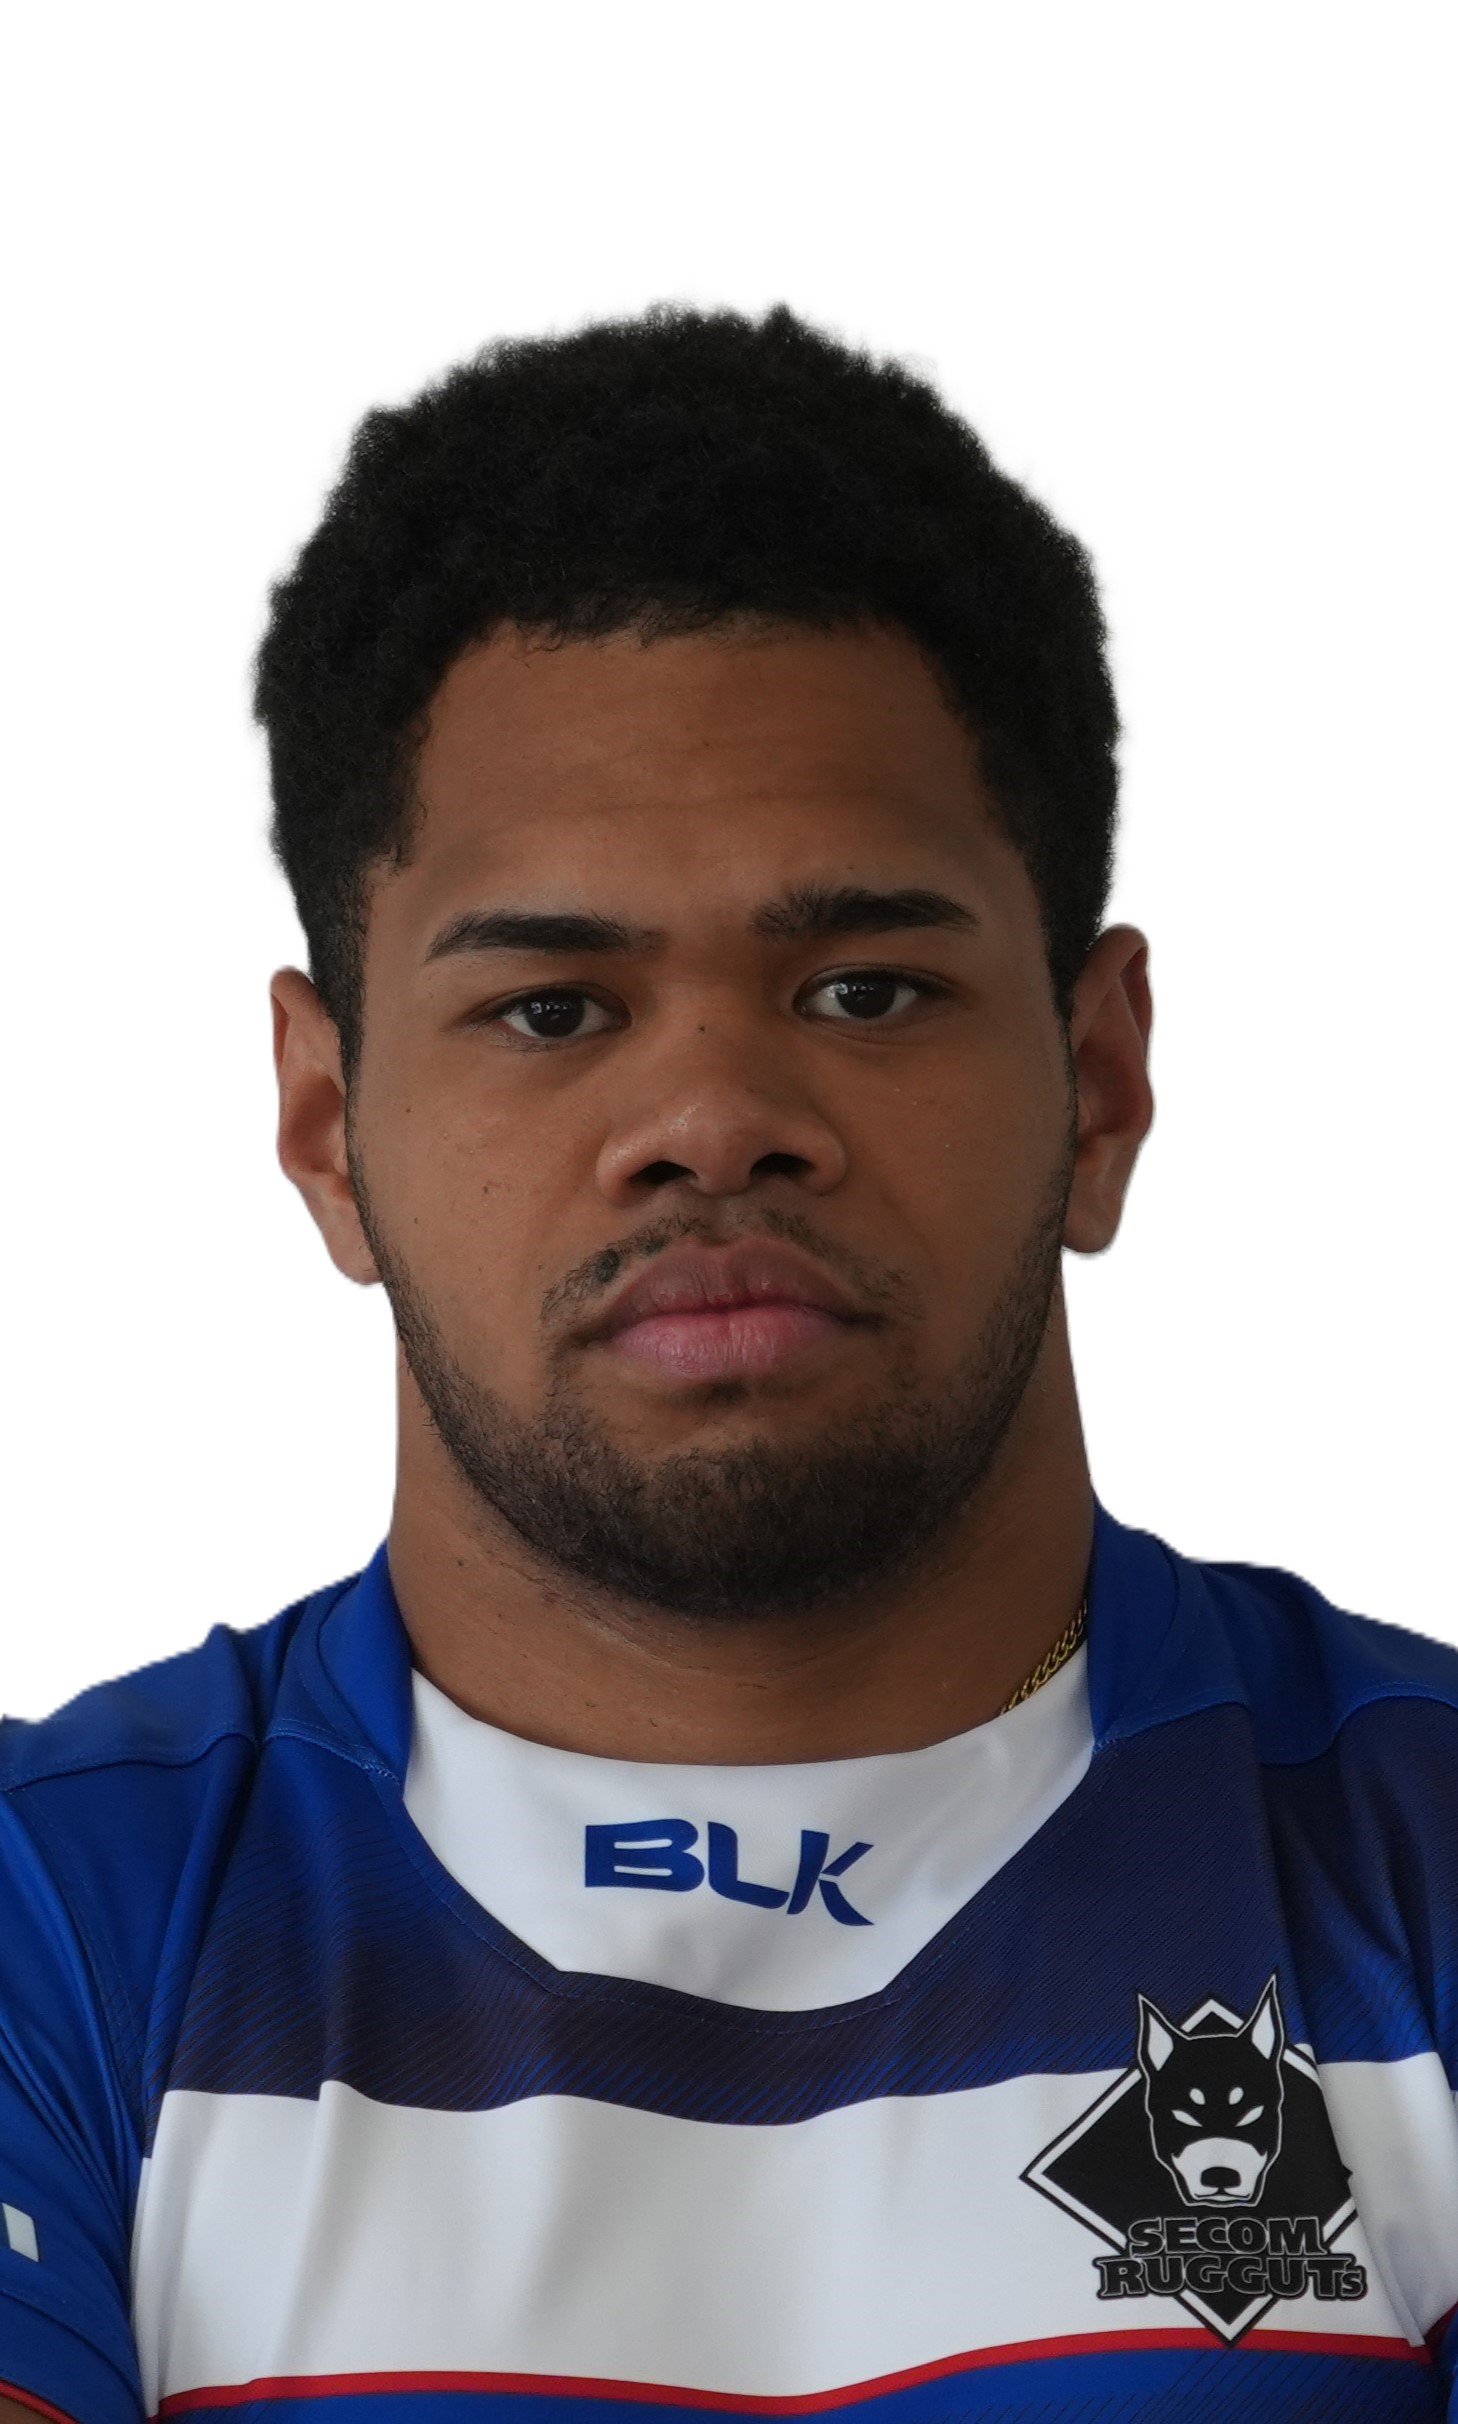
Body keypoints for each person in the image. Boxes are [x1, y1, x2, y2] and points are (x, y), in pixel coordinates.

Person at [1, 303, 1454, 2424]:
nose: (710, 1117)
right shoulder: (45, 1923)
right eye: (552, 1007)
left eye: (864, 989)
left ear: (1102, 1083)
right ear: (325, 1127)